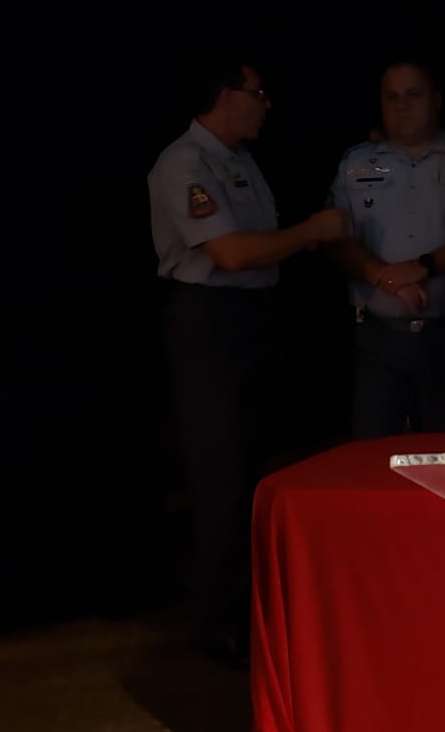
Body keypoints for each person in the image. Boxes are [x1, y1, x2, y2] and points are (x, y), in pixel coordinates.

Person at [147, 57, 347, 667]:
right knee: (222, 476)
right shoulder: (186, 163)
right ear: (225, 95)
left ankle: (251, 613)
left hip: (251, 319)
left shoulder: (239, 161)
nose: (266, 103)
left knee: (255, 468)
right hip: (210, 322)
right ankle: (218, 624)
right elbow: (231, 253)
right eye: (257, 92)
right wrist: (312, 231)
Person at [324, 60, 445, 438]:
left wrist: (425, 266)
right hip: (378, 338)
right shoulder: (355, 163)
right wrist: (385, 278)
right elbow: (336, 238)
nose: (402, 106)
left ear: (436, 100)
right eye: (391, 97)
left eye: (413, 95)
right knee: (373, 453)